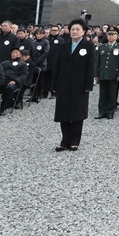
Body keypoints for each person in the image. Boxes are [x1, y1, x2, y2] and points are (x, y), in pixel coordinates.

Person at [50, 18, 95, 151]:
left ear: (84, 31)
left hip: (79, 85)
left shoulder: (89, 46)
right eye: (72, 29)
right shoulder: (64, 46)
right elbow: (57, 66)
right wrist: (54, 84)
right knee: (63, 112)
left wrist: (88, 85)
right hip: (63, 83)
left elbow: (90, 67)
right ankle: (64, 141)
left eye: (77, 29)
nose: (74, 32)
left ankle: (74, 140)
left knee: (77, 112)